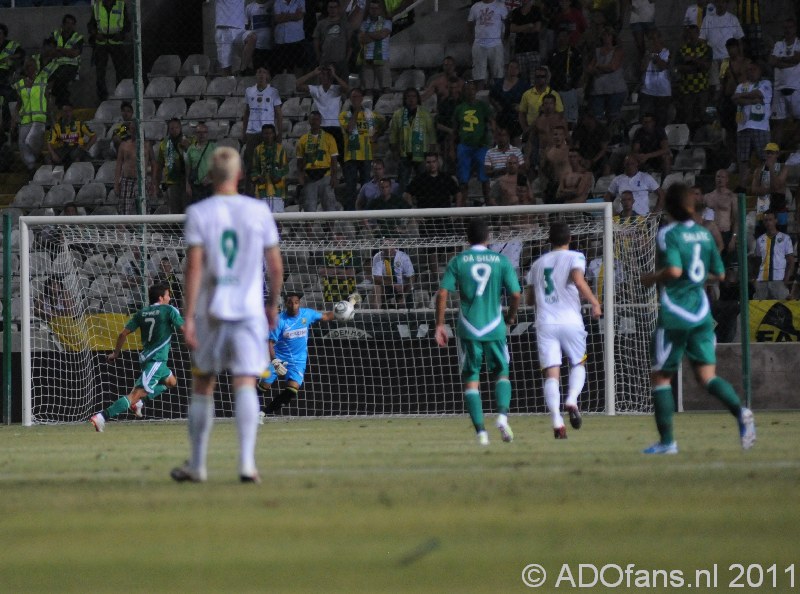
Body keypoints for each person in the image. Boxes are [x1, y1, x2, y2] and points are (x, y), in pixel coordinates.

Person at [171, 146, 284, 484]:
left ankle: (198, 465)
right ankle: (247, 464)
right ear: (240, 175)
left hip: (212, 310)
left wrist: (188, 315)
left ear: (209, 177)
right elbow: (275, 265)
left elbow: (193, 267)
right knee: (246, 380)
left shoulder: (199, 212)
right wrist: (273, 304)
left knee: (204, 382)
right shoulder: (259, 210)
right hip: (249, 311)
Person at [640, 182, 755, 454]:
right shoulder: (704, 235)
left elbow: (676, 271)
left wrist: (651, 278)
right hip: (702, 313)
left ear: (669, 206)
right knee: (707, 377)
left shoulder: (668, 234)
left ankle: (668, 442)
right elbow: (720, 274)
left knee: (661, 377)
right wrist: (697, 277)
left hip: (675, 314)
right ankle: (741, 412)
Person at [435, 219, 521, 446]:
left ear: (467, 238)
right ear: (488, 238)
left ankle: (481, 433)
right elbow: (516, 294)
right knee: (502, 372)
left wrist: (439, 325)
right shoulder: (501, 261)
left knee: (471, 380)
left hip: (468, 327)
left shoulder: (458, 261)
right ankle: (502, 416)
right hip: (495, 326)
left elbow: (442, 293)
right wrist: (511, 316)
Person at [525, 222, 601, 439]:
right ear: (570, 239)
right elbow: (577, 279)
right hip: (570, 320)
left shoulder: (537, 264)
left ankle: (557, 421)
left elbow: (530, 299)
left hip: (546, 323)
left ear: (549, 240)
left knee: (552, 373)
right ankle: (572, 400)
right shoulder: (575, 257)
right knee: (578, 362)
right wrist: (594, 302)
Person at [91, 283, 184, 431]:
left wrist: (116, 353)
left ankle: (138, 403)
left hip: (147, 358)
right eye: (168, 295)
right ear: (161, 298)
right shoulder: (169, 310)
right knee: (135, 394)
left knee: (171, 382)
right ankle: (102, 417)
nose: (170, 297)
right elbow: (183, 328)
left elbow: (123, 334)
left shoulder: (142, 313)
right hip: (157, 360)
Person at [258, 292, 336, 416]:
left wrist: (340, 312)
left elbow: (326, 317)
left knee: (291, 391)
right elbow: (269, 343)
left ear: (299, 304)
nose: (293, 305)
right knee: (263, 387)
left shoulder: (307, 314)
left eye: (296, 302)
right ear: (285, 304)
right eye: (290, 302)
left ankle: (262, 414)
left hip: (298, 360)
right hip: (278, 358)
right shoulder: (279, 321)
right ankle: (246, 409)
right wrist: (274, 361)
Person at [339, 87, 384, 210]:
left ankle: (366, 213)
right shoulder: (344, 115)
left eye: (358, 96)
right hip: (351, 156)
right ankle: (350, 213)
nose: (356, 99)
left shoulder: (370, 114)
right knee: (350, 187)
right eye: (353, 97)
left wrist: (377, 135)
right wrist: (356, 112)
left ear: (362, 98)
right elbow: (349, 128)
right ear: (349, 99)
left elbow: (383, 122)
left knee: (366, 187)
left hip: (367, 155)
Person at [389, 88, 437, 196]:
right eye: (408, 96)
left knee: (423, 180)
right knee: (402, 182)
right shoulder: (398, 114)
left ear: (418, 99)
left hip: (422, 152)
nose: (411, 99)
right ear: (405, 99)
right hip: (404, 153)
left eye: (414, 96)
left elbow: (431, 133)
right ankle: (402, 206)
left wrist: (432, 150)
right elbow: (393, 134)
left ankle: (423, 202)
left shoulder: (425, 113)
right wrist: (394, 150)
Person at [454, 80, 495, 206]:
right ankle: (462, 207)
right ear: (464, 92)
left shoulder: (482, 106)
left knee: (485, 177)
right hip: (464, 146)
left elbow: (491, 121)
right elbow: (454, 129)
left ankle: (488, 204)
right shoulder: (459, 108)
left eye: (472, 89)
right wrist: (451, 148)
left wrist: (492, 138)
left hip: (481, 146)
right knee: (463, 179)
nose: (470, 92)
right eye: (467, 89)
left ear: (476, 91)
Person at [732, 61, 772, 189]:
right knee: (743, 159)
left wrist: (743, 97)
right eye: (748, 70)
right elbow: (735, 99)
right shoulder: (741, 85)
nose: (751, 72)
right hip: (743, 126)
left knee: (764, 157)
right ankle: (742, 187)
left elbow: (759, 94)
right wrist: (751, 100)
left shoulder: (766, 83)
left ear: (760, 70)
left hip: (760, 126)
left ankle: (765, 185)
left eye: (753, 69)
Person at [242, 66, 283, 185]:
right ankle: (250, 193)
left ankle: (267, 190)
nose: (261, 75)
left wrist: (279, 133)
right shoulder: (249, 91)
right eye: (259, 72)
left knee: (268, 163)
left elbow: (279, 114)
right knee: (251, 164)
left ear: (267, 76)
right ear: (256, 75)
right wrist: (244, 131)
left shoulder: (273, 92)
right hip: (252, 131)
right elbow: (246, 112)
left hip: (268, 133)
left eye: (264, 72)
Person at [297, 64, 349, 156]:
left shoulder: (336, 88)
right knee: (323, 156)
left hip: (335, 127)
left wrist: (335, 75)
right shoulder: (316, 89)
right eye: (323, 74)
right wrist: (313, 73)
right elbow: (297, 84)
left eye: (328, 74)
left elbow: (347, 89)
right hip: (321, 127)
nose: (326, 76)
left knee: (340, 156)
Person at [88, 0, 131, 102]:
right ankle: (103, 98)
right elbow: (90, 25)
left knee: (121, 72)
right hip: (101, 43)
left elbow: (127, 25)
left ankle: (120, 97)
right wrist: (95, 34)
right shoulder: (97, 6)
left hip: (116, 42)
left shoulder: (121, 5)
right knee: (100, 74)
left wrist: (121, 34)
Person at [297, 110, 340, 211]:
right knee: (309, 209)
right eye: (312, 119)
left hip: (326, 176)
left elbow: (334, 159)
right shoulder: (303, 139)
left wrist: (334, 177)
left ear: (320, 121)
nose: (315, 122)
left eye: (317, 119)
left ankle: (329, 227)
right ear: (309, 121)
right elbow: (299, 161)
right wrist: (300, 176)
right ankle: (309, 226)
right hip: (309, 177)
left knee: (330, 207)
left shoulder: (329, 138)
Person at [585, 26, 626, 129]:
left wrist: (598, 67)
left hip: (615, 89)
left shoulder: (618, 50)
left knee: (613, 117)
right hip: (599, 89)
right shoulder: (597, 51)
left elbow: (613, 67)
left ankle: (614, 138)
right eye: (604, 35)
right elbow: (589, 68)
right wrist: (596, 69)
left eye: (609, 35)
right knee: (597, 117)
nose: (606, 38)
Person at [699, 0, 743, 93]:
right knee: (714, 86)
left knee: (727, 84)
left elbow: (739, 40)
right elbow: (702, 39)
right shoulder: (708, 19)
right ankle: (715, 106)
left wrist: (740, 58)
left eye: (723, 2)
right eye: (718, 2)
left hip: (727, 59)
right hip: (713, 59)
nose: (720, 4)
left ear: (727, 4)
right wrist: (703, 57)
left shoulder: (733, 19)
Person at [769, 18, 800, 146]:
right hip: (779, 89)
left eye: (790, 27)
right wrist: (789, 61)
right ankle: (777, 155)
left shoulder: (799, 43)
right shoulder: (778, 45)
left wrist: (780, 62)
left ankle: (794, 145)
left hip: (796, 88)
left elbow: (797, 59)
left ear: (795, 29)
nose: (787, 30)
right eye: (785, 27)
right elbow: (772, 61)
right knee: (778, 122)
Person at [750, 209, 795, 300]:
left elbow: (791, 261)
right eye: (766, 220)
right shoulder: (760, 240)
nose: (768, 222)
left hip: (779, 279)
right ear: (763, 222)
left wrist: (786, 280)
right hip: (762, 280)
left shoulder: (785, 238)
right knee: (759, 309)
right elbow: (757, 261)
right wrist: (754, 279)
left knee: (782, 307)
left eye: (770, 220)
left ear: (776, 220)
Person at [14, 58, 48, 174]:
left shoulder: (43, 81)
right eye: (27, 67)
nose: (30, 69)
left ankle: (35, 161)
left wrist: (51, 117)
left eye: (32, 66)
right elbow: (19, 102)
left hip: (39, 118)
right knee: (22, 142)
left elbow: (48, 99)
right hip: (26, 119)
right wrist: (15, 118)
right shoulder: (20, 84)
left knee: (31, 141)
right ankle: (31, 166)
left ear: (36, 68)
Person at [675, 24, 711, 132]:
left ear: (698, 33)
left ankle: (705, 140)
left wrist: (692, 59)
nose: (692, 36)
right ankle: (689, 139)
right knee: (687, 117)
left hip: (702, 88)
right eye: (690, 33)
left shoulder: (706, 48)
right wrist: (696, 66)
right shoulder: (682, 49)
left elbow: (706, 66)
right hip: (687, 89)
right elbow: (678, 68)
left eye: (694, 33)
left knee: (703, 115)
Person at [114, 121, 155, 215]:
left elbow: (153, 163)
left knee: (144, 210)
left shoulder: (147, 145)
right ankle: (123, 229)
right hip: (127, 180)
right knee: (124, 211)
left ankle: (144, 229)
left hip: (141, 180)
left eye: (135, 129)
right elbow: (119, 165)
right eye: (132, 129)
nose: (134, 131)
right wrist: (116, 183)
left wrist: (153, 182)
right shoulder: (124, 145)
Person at [467, 0, 507, 89]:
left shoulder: (500, 6)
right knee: (479, 75)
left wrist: (503, 38)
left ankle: (498, 95)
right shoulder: (475, 7)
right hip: (479, 44)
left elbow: (506, 23)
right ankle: (480, 96)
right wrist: (471, 40)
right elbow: (470, 24)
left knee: (498, 73)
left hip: (496, 43)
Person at [751, 143, 789, 236]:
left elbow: (777, 186)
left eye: (771, 153)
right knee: (760, 235)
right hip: (763, 206)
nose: (769, 155)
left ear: (777, 154)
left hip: (778, 205)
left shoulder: (783, 168)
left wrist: (771, 167)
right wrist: (770, 190)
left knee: (781, 236)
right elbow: (754, 189)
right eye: (767, 153)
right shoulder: (759, 169)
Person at [45, 14, 83, 109]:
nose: (69, 26)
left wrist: (59, 49)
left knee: (61, 78)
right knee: (43, 79)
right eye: (67, 23)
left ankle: (61, 102)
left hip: (71, 66)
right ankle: (64, 103)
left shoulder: (78, 37)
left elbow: (75, 53)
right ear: (63, 24)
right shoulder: (55, 34)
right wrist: (66, 51)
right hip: (54, 65)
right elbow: (49, 51)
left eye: (72, 23)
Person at [518, 66, 564, 141]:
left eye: (542, 76)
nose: (540, 79)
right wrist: (525, 129)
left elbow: (560, 113)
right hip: (532, 130)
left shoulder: (554, 94)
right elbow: (521, 113)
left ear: (546, 78)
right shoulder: (527, 94)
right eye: (537, 76)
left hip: (548, 130)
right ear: (534, 78)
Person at [251, 123, 289, 213]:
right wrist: (258, 177)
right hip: (262, 190)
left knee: (278, 219)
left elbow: (285, 168)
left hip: (277, 190)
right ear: (262, 135)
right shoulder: (257, 150)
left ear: (274, 134)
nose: (268, 136)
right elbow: (254, 169)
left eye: (270, 133)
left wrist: (278, 176)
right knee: (262, 218)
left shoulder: (280, 149)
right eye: (265, 133)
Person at [155, 118, 190, 214]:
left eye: (176, 127)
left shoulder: (189, 141)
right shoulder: (164, 144)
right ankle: (175, 228)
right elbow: (159, 166)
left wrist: (188, 147)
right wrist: (156, 186)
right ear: (168, 129)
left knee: (187, 210)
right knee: (174, 210)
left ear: (180, 128)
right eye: (172, 128)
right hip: (171, 182)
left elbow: (195, 159)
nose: (174, 130)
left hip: (187, 181)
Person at [358, 0, 392, 99]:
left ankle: (386, 105)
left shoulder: (386, 22)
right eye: (372, 8)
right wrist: (376, 35)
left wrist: (367, 35)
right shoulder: (364, 22)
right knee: (367, 89)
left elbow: (383, 34)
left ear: (380, 10)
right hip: (366, 57)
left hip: (382, 57)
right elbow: (361, 38)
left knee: (385, 86)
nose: (374, 11)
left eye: (376, 8)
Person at [638, 29, 671, 129]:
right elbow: (642, 68)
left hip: (662, 92)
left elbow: (663, 67)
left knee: (661, 121)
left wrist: (656, 57)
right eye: (649, 39)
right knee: (645, 120)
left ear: (659, 39)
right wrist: (647, 57)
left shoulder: (667, 52)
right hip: (647, 91)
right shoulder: (647, 53)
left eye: (653, 39)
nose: (651, 42)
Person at [47, 102, 97, 168]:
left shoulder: (79, 124)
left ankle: (74, 174)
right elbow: (49, 143)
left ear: (72, 111)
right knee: (48, 157)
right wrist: (53, 154)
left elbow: (93, 136)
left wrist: (87, 147)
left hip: (76, 147)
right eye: (65, 111)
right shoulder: (57, 126)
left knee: (76, 154)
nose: (67, 113)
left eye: (69, 111)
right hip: (63, 149)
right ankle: (55, 176)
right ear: (61, 112)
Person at [702, 169, 738, 260]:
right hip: (711, 234)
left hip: (726, 233)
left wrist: (733, 238)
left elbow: (736, 219)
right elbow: (702, 217)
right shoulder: (708, 197)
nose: (720, 179)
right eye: (718, 176)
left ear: (727, 179)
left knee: (728, 267)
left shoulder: (732, 197)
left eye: (723, 177)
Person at [214, 0, 256, 75]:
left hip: (239, 31)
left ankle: (243, 70)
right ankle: (229, 81)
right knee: (226, 70)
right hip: (224, 30)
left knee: (252, 38)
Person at [488, 60, 527, 141]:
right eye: (511, 67)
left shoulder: (524, 85)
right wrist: (497, 106)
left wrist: (521, 107)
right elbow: (491, 96)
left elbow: (528, 100)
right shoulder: (499, 83)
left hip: (516, 117)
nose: (513, 69)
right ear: (507, 68)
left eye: (516, 68)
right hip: (502, 115)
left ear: (519, 70)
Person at [313, 0, 352, 78]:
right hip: (325, 62)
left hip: (341, 62)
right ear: (327, 9)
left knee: (342, 88)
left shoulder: (345, 24)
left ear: (339, 8)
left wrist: (346, 60)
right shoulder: (321, 24)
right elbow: (316, 42)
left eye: (335, 7)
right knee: (325, 89)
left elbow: (350, 44)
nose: (333, 9)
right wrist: (319, 58)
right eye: (330, 7)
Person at [509, 0, 543, 82]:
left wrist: (520, 29)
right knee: (522, 79)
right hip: (520, 49)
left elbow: (537, 28)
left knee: (534, 79)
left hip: (533, 49)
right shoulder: (516, 12)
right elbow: (512, 28)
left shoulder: (536, 10)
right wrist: (528, 25)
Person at [372, 244, 414, 309]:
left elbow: (411, 277)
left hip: (403, 287)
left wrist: (404, 294)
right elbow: (377, 278)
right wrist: (393, 284)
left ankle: (403, 307)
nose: (388, 250)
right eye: (385, 247)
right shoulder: (377, 257)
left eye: (390, 247)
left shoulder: (403, 257)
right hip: (387, 286)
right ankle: (377, 311)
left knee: (409, 286)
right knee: (377, 286)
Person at [185, 122, 217, 204]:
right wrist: (187, 184)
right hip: (196, 187)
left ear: (207, 134)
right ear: (195, 134)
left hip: (211, 185)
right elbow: (188, 168)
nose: (202, 135)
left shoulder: (214, 147)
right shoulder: (191, 149)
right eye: (199, 132)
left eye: (204, 132)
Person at [272, 0, 306, 75]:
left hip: (297, 38)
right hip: (281, 40)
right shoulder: (278, 2)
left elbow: (299, 16)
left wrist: (283, 15)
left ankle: (297, 85)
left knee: (298, 66)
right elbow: (277, 18)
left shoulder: (300, 1)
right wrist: (293, 15)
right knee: (282, 67)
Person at [245, 0, 275, 72]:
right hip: (257, 47)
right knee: (258, 71)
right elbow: (246, 26)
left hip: (272, 46)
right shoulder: (249, 7)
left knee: (272, 72)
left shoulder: (272, 4)